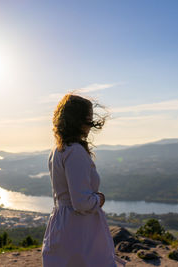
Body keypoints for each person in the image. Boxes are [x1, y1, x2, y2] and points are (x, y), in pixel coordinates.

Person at [42, 93, 125, 267]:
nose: (91, 126)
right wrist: (99, 199)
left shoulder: (58, 150)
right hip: (79, 229)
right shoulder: (75, 151)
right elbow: (80, 202)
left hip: (61, 224)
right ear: (77, 121)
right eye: (89, 120)